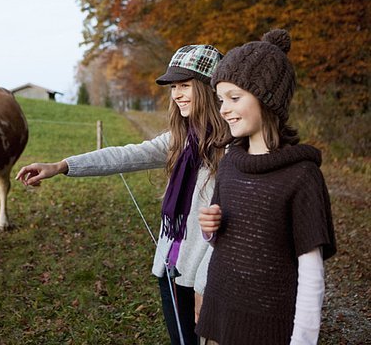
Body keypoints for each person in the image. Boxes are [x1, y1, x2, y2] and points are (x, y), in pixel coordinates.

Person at [16, 44, 228, 345]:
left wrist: (205, 287)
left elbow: (228, 230)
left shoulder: (230, 150)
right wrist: (62, 166)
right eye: (173, 87)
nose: (176, 94)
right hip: (170, 268)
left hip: (202, 280)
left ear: (208, 88)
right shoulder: (181, 140)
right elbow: (125, 156)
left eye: (185, 86)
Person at [197, 29, 337, 345]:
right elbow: (222, 239)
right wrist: (209, 228)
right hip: (221, 316)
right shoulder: (231, 161)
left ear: (268, 99)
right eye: (221, 99)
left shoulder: (301, 175)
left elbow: (312, 272)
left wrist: (302, 339)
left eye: (235, 98)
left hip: (268, 328)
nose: (224, 109)